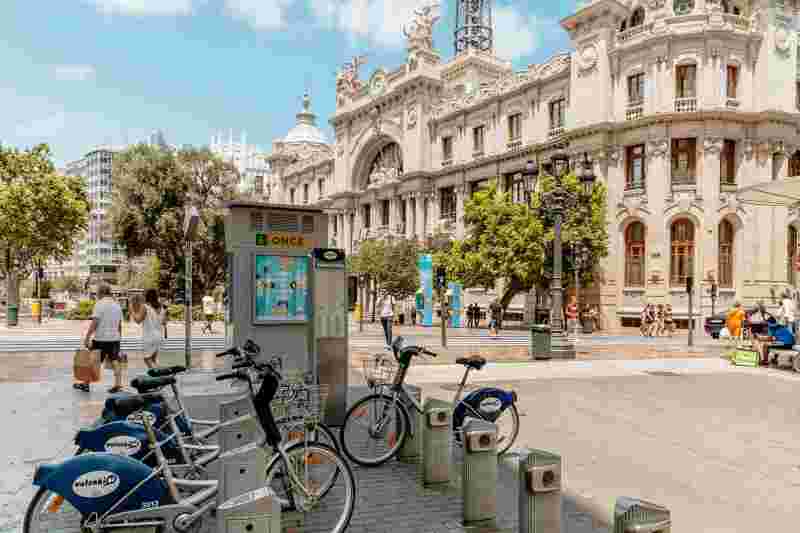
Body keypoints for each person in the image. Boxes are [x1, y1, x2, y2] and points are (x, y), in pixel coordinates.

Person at [75, 284, 124, 393]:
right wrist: (119, 338)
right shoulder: (117, 305)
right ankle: (118, 384)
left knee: (93, 362)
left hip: (101, 338)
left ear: (101, 293)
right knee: (115, 361)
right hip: (114, 339)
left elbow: (95, 323)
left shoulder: (99, 304)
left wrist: (87, 337)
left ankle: (86, 384)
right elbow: (120, 325)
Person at [130, 289, 164, 369]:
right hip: (159, 336)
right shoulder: (161, 308)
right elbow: (164, 321)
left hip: (149, 337)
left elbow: (138, 320)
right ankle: (157, 374)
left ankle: (156, 375)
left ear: (147, 297)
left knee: (146, 359)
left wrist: (132, 311)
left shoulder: (145, 307)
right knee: (153, 360)